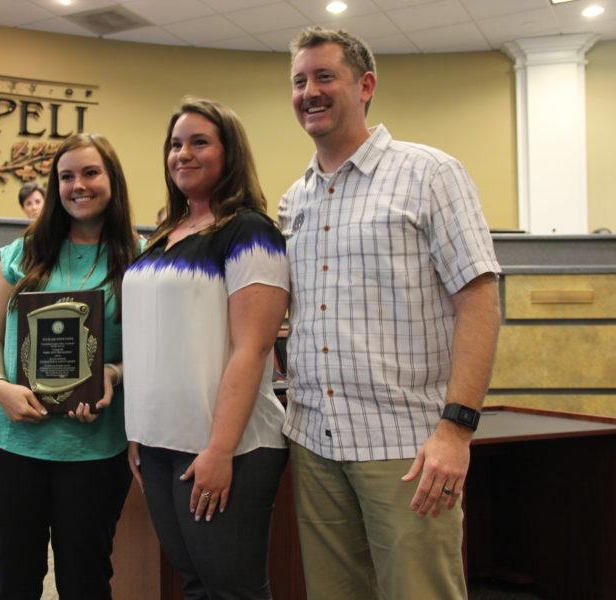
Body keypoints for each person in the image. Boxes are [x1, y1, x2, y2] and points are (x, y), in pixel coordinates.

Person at [278, 27, 502, 599]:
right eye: (300, 81)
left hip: (407, 446)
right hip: (314, 441)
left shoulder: (430, 174)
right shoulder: (296, 198)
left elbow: (479, 300)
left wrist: (456, 429)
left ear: (366, 85)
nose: (310, 92)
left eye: (325, 76)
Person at [122, 98, 290, 599]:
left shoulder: (249, 231)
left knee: (231, 589)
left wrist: (219, 449)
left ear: (229, 152)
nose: (183, 154)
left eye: (199, 142)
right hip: (157, 443)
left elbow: (252, 348)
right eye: (175, 144)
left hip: (226, 446)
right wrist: (139, 433)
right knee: (194, 582)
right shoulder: (162, 235)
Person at [0, 132, 140, 600]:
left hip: (94, 450)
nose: (77, 185)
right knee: (13, 579)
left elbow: (149, 353)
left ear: (112, 180)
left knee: (86, 581)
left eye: (90, 173)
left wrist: (112, 373)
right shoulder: (24, 251)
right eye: (66, 176)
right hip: (10, 445)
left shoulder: (140, 258)